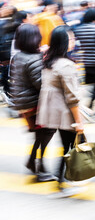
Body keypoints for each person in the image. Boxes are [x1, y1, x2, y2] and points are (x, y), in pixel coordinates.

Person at [36, 25, 84, 196]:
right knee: (68, 147)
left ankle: (63, 181)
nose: (73, 41)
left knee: (66, 146)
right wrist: (79, 122)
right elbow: (72, 97)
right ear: (63, 42)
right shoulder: (66, 65)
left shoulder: (49, 62)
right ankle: (64, 182)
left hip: (52, 113)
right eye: (70, 39)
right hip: (65, 113)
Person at [9, 23, 57, 182]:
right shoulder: (34, 58)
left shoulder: (18, 56)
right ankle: (38, 165)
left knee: (40, 133)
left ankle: (34, 162)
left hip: (23, 104)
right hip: (35, 104)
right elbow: (41, 83)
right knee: (47, 131)